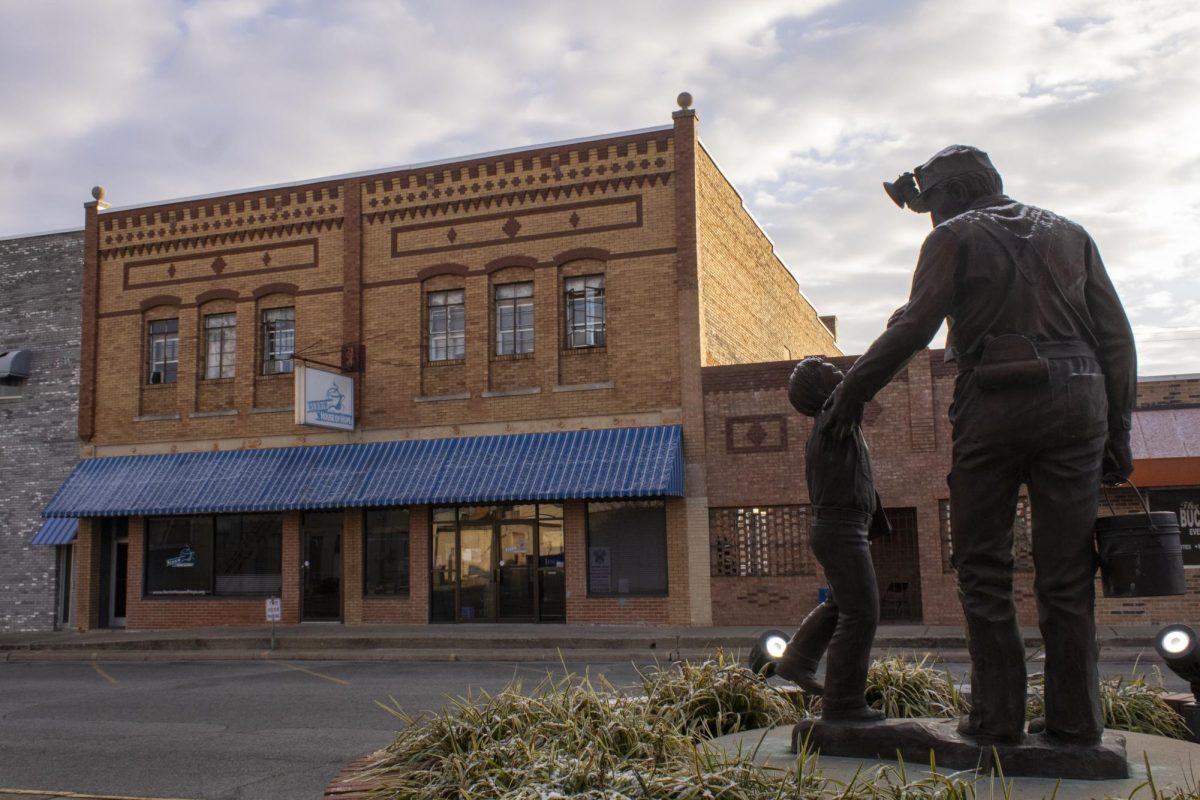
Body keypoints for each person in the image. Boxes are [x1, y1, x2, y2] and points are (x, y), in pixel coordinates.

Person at [825, 145, 1136, 745]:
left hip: (996, 401)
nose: (932, 220)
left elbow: (915, 325)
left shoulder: (955, 237)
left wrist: (852, 392)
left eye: (933, 206)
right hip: (1080, 397)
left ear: (957, 192)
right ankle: (1076, 723)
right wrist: (1118, 429)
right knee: (1067, 571)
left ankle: (997, 718)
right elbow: (1116, 339)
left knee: (982, 566)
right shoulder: (1072, 234)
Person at [774, 357, 891, 722]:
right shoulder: (835, 415)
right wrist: (903, 332)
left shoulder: (832, 420)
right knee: (861, 612)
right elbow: (862, 379)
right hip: (840, 530)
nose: (834, 366)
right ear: (821, 389)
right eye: (823, 366)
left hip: (844, 528)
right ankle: (844, 702)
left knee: (843, 604)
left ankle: (796, 659)